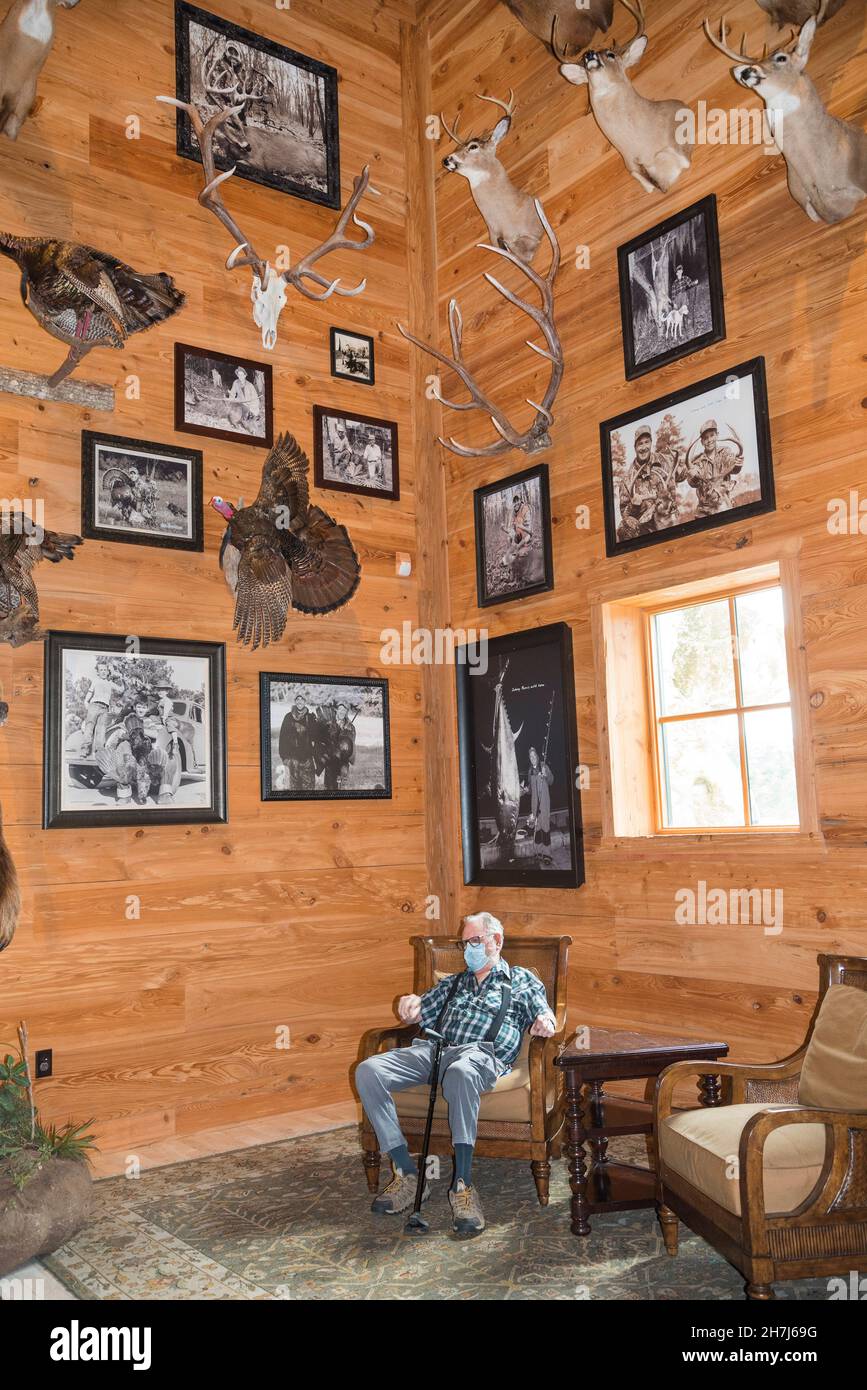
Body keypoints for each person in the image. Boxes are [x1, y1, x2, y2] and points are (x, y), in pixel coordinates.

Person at [355, 912, 557, 1236]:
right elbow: (420, 1009)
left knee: (461, 1072)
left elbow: (545, 1014)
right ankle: (408, 1174)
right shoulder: (453, 982)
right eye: (465, 943)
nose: (468, 949)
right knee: (369, 1070)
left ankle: (462, 1185)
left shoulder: (519, 981)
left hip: (479, 1055)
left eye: (474, 941)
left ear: (496, 941)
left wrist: (546, 1022)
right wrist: (410, 1006)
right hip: (433, 1050)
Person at [686, 419, 743, 517]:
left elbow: (734, 467)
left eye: (712, 435)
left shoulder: (725, 452)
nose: (709, 440)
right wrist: (693, 476)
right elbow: (692, 482)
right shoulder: (697, 461)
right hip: (705, 508)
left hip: (723, 501)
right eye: (705, 438)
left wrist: (738, 464)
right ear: (702, 442)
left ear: (717, 435)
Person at [81, 660, 125, 756]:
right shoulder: (95, 681)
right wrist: (86, 702)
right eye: (101, 670)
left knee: (101, 729)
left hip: (105, 708)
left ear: (108, 672)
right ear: (98, 672)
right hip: (94, 705)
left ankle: (99, 751)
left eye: (105, 670)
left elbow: (121, 690)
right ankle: (85, 749)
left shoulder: (110, 683)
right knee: (89, 726)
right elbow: (90, 692)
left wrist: (121, 678)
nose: (103, 672)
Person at [278, 691, 317, 790]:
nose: (300, 701)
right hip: (292, 758)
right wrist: (284, 757)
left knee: (309, 787)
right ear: (295, 701)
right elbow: (282, 737)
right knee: (294, 788)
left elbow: (316, 737)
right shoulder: (288, 717)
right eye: (297, 699)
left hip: (307, 758)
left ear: (305, 702)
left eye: (302, 699)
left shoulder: (310, 717)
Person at [524, 745, 554, 863]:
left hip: (544, 804)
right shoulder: (530, 771)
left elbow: (551, 780)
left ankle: (547, 854)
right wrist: (525, 790)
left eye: (534, 755)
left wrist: (546, 775)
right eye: (530, 756)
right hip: (534, 805)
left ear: (537, 756)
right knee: (537, 829)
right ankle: (538, 852)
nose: (532, 758)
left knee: (545, 828)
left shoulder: (544, 766)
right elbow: (531, 790)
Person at [227, 367, 260, 433]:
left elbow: (255, 398)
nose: (240, 376)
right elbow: (232, 394)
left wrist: (252, 407)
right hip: (240, 404)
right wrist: (230, 401)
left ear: (245, 375)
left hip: (250, 406)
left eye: (242, 375)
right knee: (234, 413)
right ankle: (237, 422)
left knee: (249, 419)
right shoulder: (236, 382)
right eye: (239, 375)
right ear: (237, 375)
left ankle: (252, 429)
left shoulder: (250, 385)